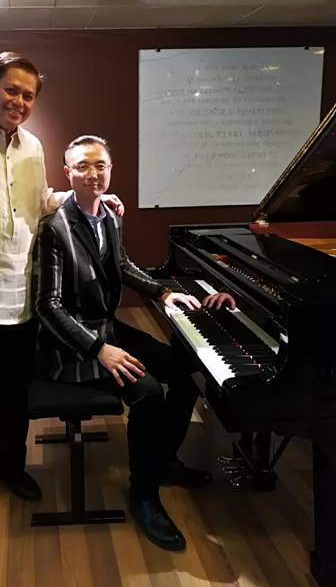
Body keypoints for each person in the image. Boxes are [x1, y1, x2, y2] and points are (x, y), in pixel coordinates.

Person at [0, 53, 124, 535]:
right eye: (11, 90)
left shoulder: (32, 147)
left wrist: (85, 196)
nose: (19, 101)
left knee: (13, 397)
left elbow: (38, 201)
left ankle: (10, 467)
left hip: (20, 299)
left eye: (28, 95)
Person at [33, 135, 235, 551]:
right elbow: (47, 306)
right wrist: (99, 350)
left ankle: (162, 462)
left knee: (185, 372)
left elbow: (122, 265)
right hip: (73, 345)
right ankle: (144, 495)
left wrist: (163, 292)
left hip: (107, 328)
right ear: (67, 173)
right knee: (147, 392)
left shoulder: (109, 215)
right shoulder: (54, 228)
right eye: (83, 166)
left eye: (101, 165)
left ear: (111, 169)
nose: (93, 174)